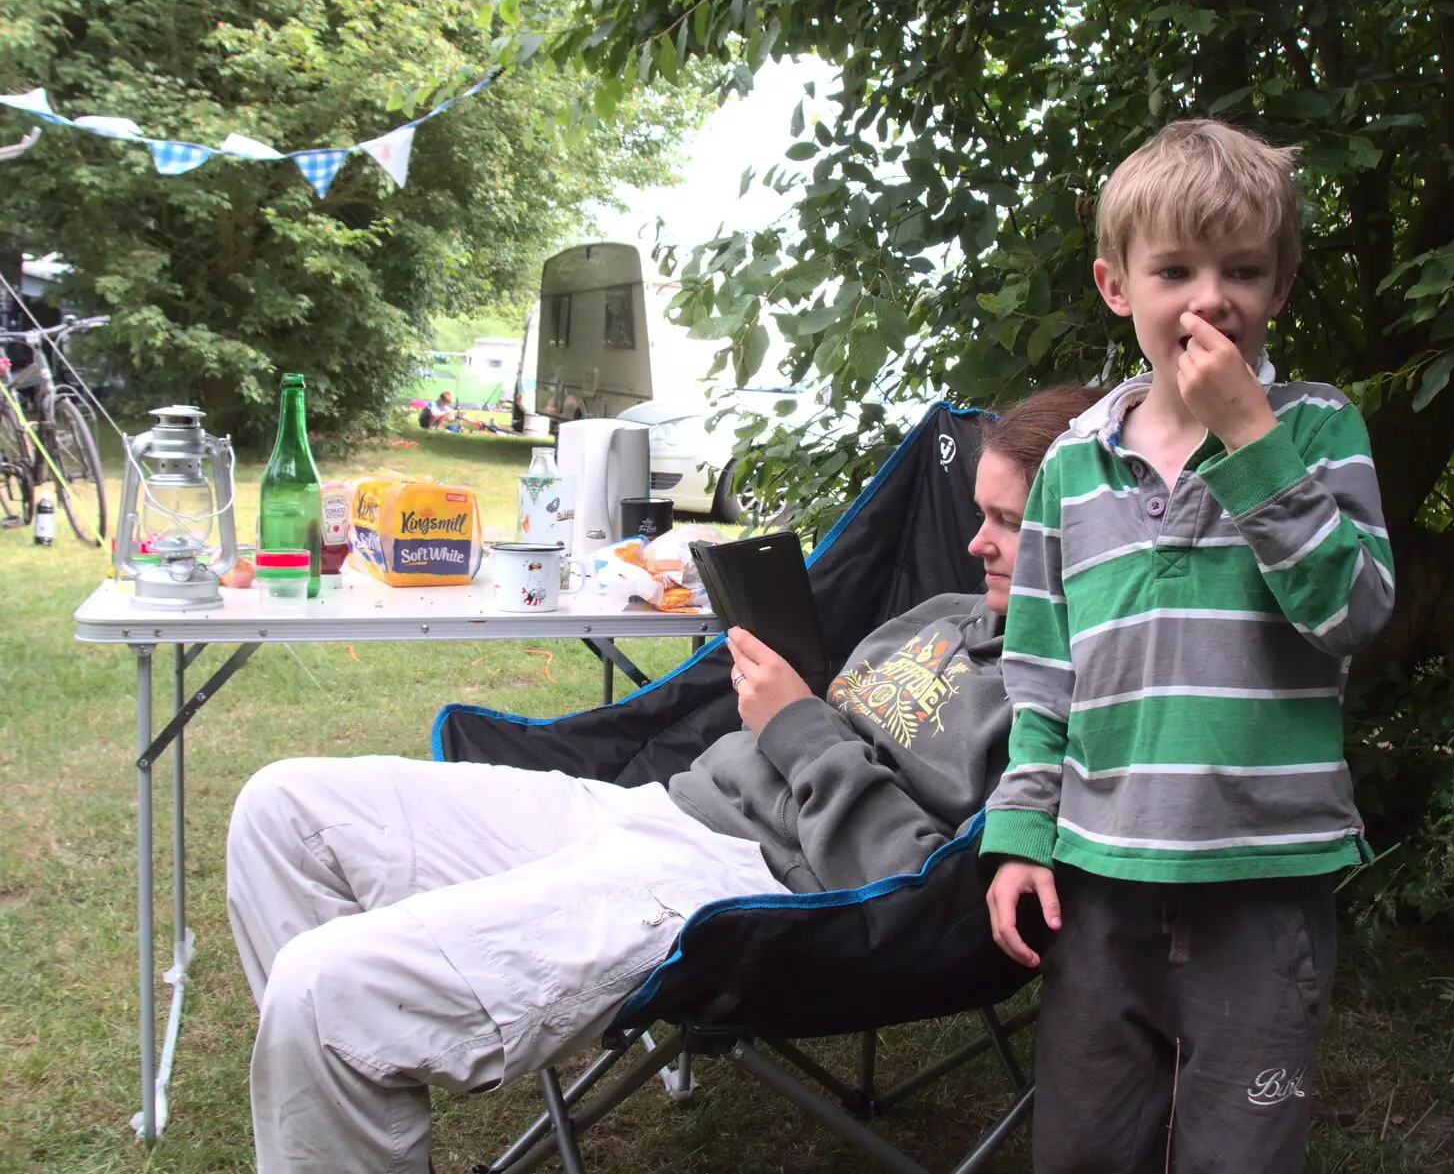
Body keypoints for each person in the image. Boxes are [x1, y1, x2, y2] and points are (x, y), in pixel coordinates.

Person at [226, 385, 1101, 1173]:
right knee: (283, 809)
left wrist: (795, 723)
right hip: (656, 807)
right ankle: (336, 1115)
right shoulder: (945, 612)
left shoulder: (1056, 708)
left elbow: (910, 885)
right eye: (981, 512)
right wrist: (792, 706)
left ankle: (352, 1060)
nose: (975, 541)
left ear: (1087, 536)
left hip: (732, 887)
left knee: (325, 987)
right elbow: (822, 726)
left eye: (1011, 523)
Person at [982, 119, 1396, 1173]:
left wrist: (1249, 440)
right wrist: (1021, 833)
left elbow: (1351, 611)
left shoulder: (1315, 429)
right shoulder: (1073, 471)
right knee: (1083, 1144)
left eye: (1242, 271)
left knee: (1242, 1153)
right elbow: (1040, 674)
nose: (1210, 297)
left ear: (1282, 287)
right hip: (1102, 872)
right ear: (1116, 286)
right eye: (1174, 269)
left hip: (1263, 877)